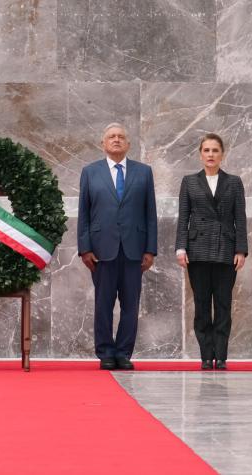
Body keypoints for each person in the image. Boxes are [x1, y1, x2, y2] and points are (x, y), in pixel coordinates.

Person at [77, 123, 158, 370]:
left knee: (130, 304)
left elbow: (150, 213)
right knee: (103, 303)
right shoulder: (90, 172)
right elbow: (84, 214)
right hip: (102, 250)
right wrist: (85, 248)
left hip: (134, 249)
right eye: (111, 137)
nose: (116, 140)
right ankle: (105, 353)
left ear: (128, 144)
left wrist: (150, 249)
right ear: (103, 143)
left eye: (121, 137)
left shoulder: (143, 172)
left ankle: (123, 352)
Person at [175, 133, 247, 370]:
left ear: (222, 154)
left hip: (226, 249)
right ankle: (206, 355)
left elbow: (240, 218)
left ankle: (222, 355)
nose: (211, 155)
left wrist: (241, 250)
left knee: (224, 304)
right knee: (202, 304)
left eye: (215, 150)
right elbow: (183, 216)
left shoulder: (234, 182)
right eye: (206, 150)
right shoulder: (189, 181)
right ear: (200, 154)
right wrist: (180, 247)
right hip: (198, 250)